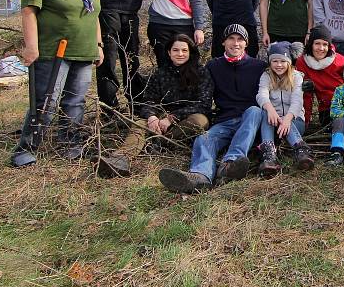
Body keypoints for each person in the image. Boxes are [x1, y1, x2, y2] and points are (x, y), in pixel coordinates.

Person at [12, 0, 103, 167]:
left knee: (75, 101)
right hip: (54, 50)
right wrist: (31, 46)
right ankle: (26, 148)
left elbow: (94, 15)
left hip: (84, 50)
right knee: (46, 101)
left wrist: (99, 45)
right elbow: (29, 11)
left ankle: (70, 144)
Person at [158, 24, 265, 194]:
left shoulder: (259, 67)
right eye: (231, 39)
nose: (235, 43)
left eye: (240, 40)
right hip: (225, 120)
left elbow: (280, 80)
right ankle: (200, 176)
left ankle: (230, 164)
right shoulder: (213, 66)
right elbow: (201, 93)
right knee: (203, 139)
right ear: (223, 42)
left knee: (255, 110)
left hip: (250, 121)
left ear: (246, 43)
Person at [95, 34, 213, 178]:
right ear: (169, 52)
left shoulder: (201, 72)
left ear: (190, 52)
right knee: (140, 123)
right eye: (175, 50)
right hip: (161, 116)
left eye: (184, 50)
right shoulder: (160, 73)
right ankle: (119, 160)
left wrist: (172, 118)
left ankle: (159, 142)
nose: (180, 54)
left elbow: (204, 104)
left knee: (200, 121)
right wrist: (152, 116)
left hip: (187, 118)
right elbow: (148, 100)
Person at [256, 41, 314, 177]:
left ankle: (300, 149)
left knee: (290, 119)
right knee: (265, 112)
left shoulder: (297, 77)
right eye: (275, 61)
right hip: (272, 122)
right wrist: (270, 109)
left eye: (283, 61)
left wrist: (287, 119)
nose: (279, 65)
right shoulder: (266, 76)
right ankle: (269, 154)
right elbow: (261, 94)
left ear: (289, 62)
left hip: (294, 121)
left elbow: (297, 102)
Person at [295, 24, 344, 127]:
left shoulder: (341, 61)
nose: (321, 48)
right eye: (317, 43)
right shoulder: (302, 62)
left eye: (325, 44)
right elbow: (305, 95)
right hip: (325, 108)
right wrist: (305, 121)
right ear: (311, 44)